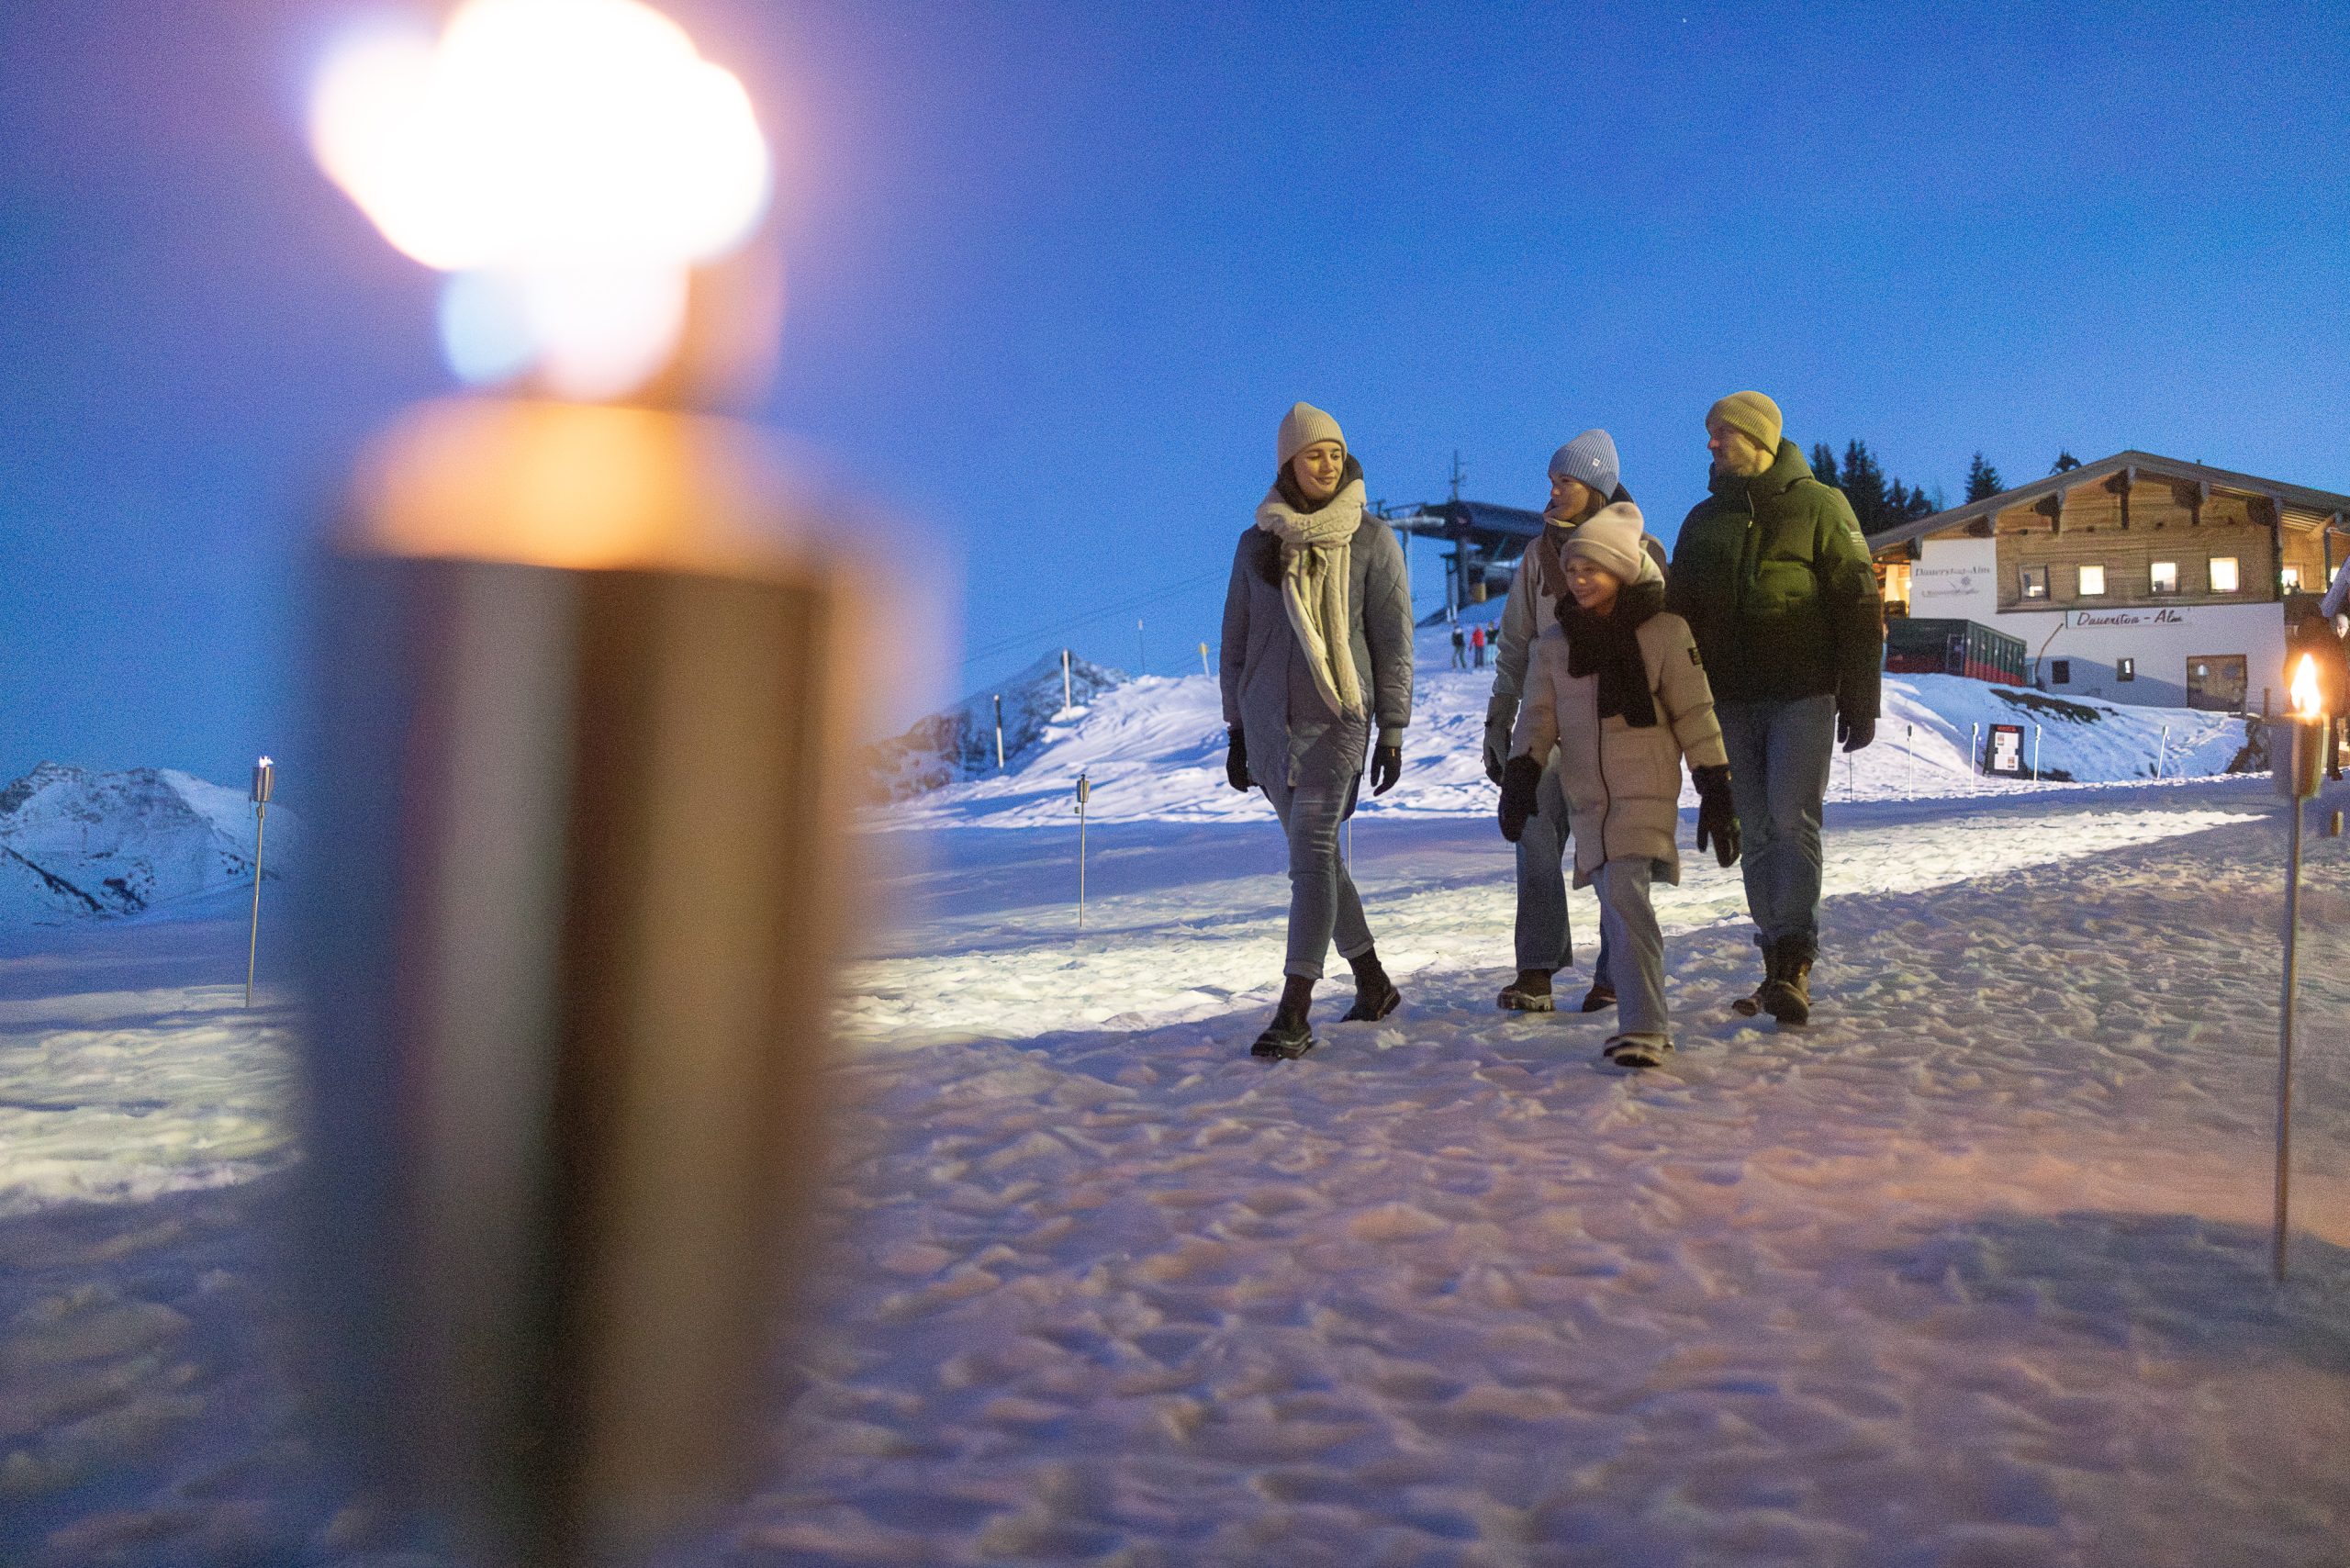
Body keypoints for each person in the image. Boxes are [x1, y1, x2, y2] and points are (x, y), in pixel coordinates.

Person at [1666, 392, 1883, 1025]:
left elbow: (1858, 604)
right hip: (1727, 703)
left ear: (1758, 437)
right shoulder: (1703, 521)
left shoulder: (1820, 506)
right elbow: (1677, 621)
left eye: (1723, 433)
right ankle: (1775, 957)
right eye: (1710, 433)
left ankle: (1796, 958)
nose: (1711, 443)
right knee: (1755, 829)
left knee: (1793, 820)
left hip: (1803, 694)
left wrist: (1860, 697)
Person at [1496, 505, 1738, 1068]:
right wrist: (1521, 776)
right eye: (1573, 570)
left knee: (1627, 901)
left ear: (1623, 570)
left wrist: (1716, 786)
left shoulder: (1665, 633)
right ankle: (1647, 1023)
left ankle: (1645, 1027)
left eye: (1593, 569)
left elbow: (1696, 714)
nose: (1579, 580)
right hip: (1588, 803)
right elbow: (1537, 719)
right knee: (1617, 903)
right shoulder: (1555, 645)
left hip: (1644, 791)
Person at [1220, 402, 1416, 1059]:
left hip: (1340, 719)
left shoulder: (1372, 540)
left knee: (1309, 857)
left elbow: (1393, 642)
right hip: (1269, 729)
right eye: (1313, 455)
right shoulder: (1256, 545)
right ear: (1289, 464)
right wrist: (1237, 729)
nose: (1327, 465)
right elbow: (1236, 642)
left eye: (1335, 453)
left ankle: (1294, 1011)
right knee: (1322, 860)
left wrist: (1392, 729)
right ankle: (1373, 982)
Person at [1483, 430, 1669, 1014]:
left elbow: (1663, 646)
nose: (1553, 491)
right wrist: (1500, 717)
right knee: (1534, 837)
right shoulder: (1537, 557)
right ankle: (1536, 970)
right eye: (1552, 481)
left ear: (1595, 487)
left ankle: (1615, 973)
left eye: (1564, 481)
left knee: (1614, 848)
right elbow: (1516, 642)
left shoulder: (1643, 552)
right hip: (1548, 726)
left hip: (1616, 726)